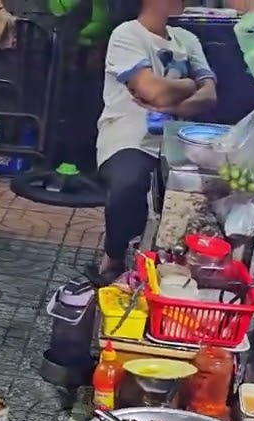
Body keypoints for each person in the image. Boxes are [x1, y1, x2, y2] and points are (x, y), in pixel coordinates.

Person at [89, 0, 217, 282]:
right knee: (128, 183)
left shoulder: (187, 39)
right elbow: (153, 91)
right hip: (129, 136)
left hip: (179, 140)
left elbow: (209, 95)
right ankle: (113, 255)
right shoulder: (127, 34)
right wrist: (189, 84)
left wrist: (172, 105)